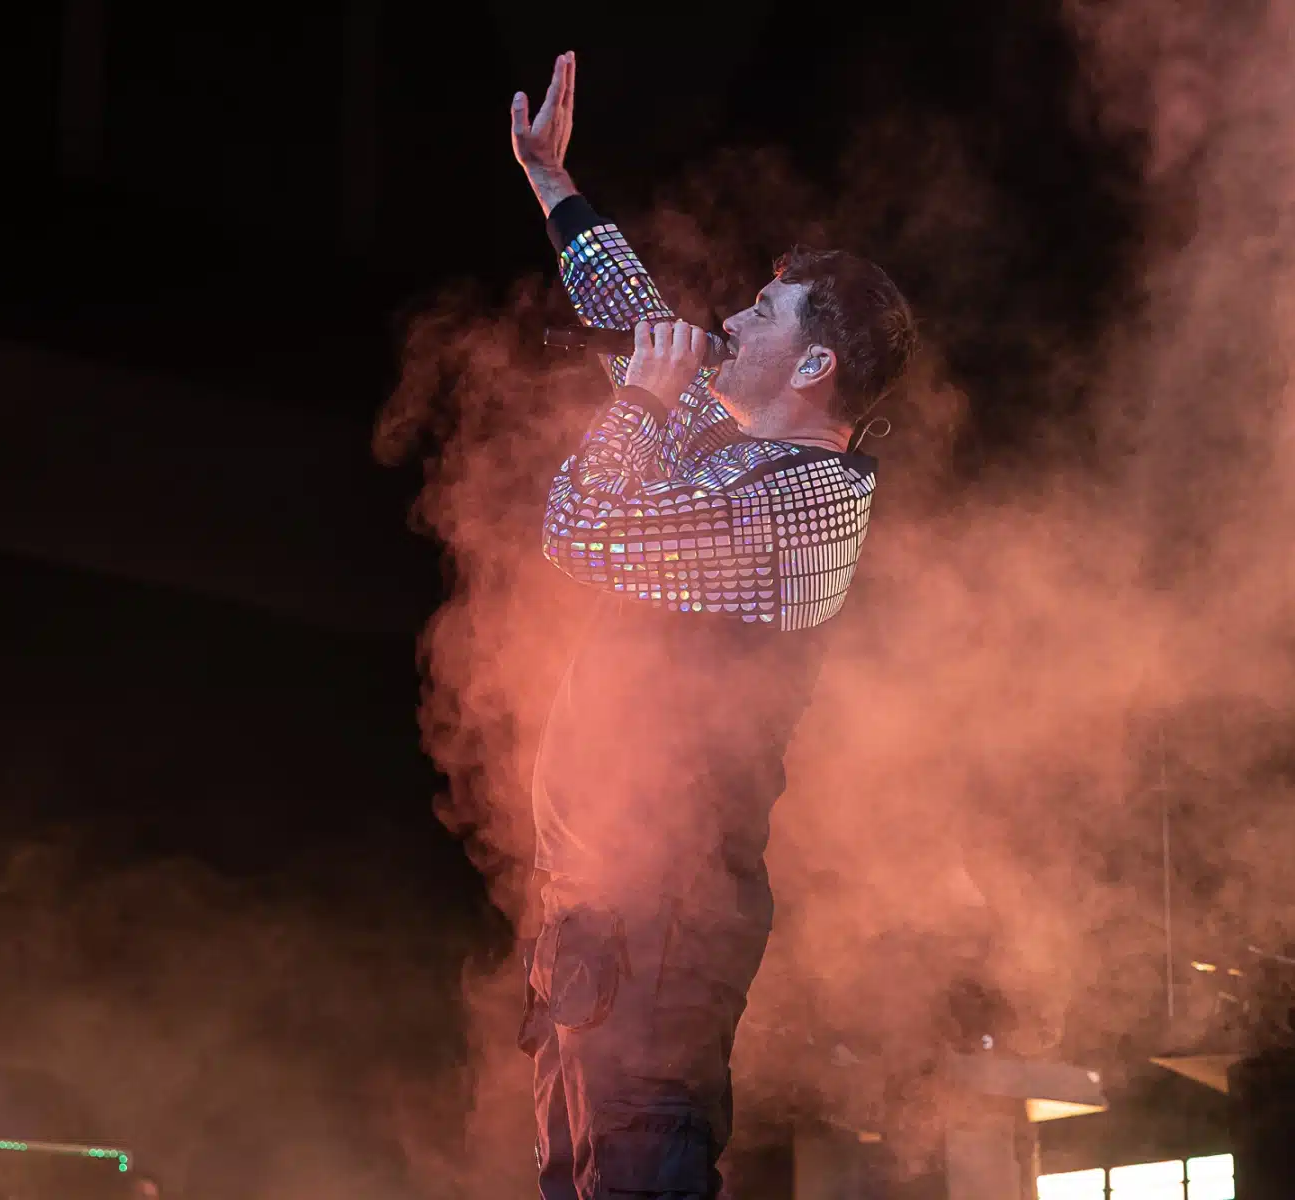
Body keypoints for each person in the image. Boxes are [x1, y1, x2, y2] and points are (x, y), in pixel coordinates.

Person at [510, 51, 918, 1200]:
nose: (728, 319)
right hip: (604, 905)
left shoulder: (800, 503)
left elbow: (579, 526)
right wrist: (555, 185)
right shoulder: (749, 457)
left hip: (667, 916)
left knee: (642, 1168)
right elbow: (637, 314)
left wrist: (642, 399)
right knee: (579, 1176)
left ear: (816, 363)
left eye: (761, 312)